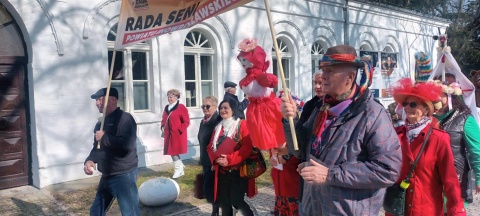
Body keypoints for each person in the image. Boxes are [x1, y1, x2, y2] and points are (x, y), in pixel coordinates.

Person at [280, 45, 402, 215]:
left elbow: (387, 170)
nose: (323, 77)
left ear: (350, 77)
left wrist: (330, 175)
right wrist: (291, 120)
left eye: (330, 71)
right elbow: (299, 151)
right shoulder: (320, 108)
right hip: (312, 208)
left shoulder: (373, 114)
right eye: (323, 71)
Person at [388, 78, 466, 215]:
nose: (407, 107)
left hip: (427, 210)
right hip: (397, 210)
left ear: (426, 109)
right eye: (405, 103)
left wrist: (457, 210)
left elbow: (450, 180)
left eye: (413, 104)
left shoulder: (439, 139)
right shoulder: (394, 135)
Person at [84, 87, 140, 216]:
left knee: (130, 213)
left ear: (113, 99)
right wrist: (90, 160)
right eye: (96, 100)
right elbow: (96, 147)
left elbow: (127, 145)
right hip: (107, 174)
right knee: (96, 211)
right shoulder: (100, 123)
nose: (97, 103)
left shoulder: (125, 119)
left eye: (100, 99)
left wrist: (105, 137)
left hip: (124, 175)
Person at [433, 81, 480, 207]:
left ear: (450, 96)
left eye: (440, 94)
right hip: (430, 178)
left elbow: (477, 151)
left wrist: (479, 177)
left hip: (455, 176)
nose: (435, 97)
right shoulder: (426, 119)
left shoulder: (465, 118)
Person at [207, 99, 256, 216]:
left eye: (226, 108)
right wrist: (215, 160)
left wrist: (229, 159)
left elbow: (246, 147)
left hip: (237, 171)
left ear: (233, 110)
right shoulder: (218, 127)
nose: (222, 110)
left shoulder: (242, 124)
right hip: (222, 171)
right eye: (221, 108)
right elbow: (210, 147)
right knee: (225, 203)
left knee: (237, 201)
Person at [198, 96, 221, 216]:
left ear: (215, 107)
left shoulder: (217, 121)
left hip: (214, 161)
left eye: (207, 106)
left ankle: (216, 211)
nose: (205, 109)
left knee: (214, 187)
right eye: (203, 106)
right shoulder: (203, 121)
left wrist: (214, 161)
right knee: (210, 188)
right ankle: (215, 209)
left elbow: (218, 143)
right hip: (205, 160)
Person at [161, 89, 190, 179]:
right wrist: (162, 126)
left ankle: (178, 169)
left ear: (176, 97)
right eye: (168, 97)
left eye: (171, 97)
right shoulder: (167, 107)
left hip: (177, 134)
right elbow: (164, 119)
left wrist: (179, 130)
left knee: (173, 152)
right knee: (171, 151)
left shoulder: (181, 107)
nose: (169, 99)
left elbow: (186, 121)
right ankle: (180, 166)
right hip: (168, 134)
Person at [269, 143, 301, 216]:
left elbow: (302, 149)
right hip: (279, 182)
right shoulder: (275, 133)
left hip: (293, 183)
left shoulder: (296, 132)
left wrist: (287, 157)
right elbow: (272, 148)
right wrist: (272, 157)